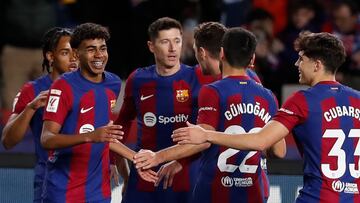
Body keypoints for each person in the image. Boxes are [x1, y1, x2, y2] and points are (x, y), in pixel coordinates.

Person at [173, 32, 360, 202]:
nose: (297, 64)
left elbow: (261, 141)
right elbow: (278, 151)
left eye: (301, 59)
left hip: (316, 198)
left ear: (317, 64)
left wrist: (207, 135)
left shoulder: (302, 100)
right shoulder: (357, 99)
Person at [135, 26, 286, 202]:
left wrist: (157, 157)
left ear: (218, 52)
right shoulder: (266, 93)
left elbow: (202, 140)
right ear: (252, 58)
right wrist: (181, 161)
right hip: (255, 189)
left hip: (217, 190)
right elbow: (278, 149)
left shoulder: (212, 91)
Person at [115, 17, 217, 203]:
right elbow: (122, 123)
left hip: (186, 174)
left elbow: (210, 133)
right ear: (151, 46)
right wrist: (116, 163)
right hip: (144, 174)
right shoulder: (137, 79)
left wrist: (181, 161)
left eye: (177, 41)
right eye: (165, 42)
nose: (173, 48)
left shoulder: (200, 77)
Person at [40, 22, 124, 203]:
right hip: (62, 191)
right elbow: (47, 139)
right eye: (91, 49)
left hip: (99, 191)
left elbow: (106, 132)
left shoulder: (114, 84)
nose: (99, 55)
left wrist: (112, 161)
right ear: (77, 54)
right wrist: (89, 136)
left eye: (103, 48)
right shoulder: (62, 86)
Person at [1, 27, 77, 203]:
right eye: (66, 52)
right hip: (49, 180)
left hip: (89, 180)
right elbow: (8, 141)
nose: (73, 58)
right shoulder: (33, 90)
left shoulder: (95, 86)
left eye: (76, 52)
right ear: (51, 56)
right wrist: (30, 108)